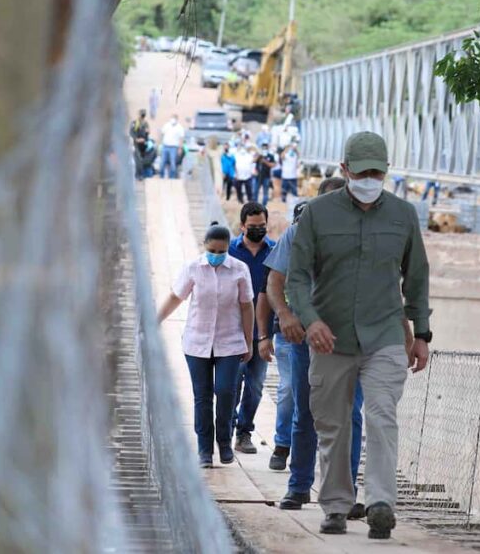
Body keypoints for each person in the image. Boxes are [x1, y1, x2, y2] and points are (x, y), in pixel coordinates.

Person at [287, 131, 431, 539]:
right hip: (330, 337)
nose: (370, 179)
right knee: (332, 423)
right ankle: (334, 505)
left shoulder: (404, 216)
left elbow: (416, 277)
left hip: (385, 333)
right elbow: (297, 278)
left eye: (377, 172)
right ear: (344, 169)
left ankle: (381, 503)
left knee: (381, 415)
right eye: (362, 171)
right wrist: (310, 319)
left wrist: (421, 334)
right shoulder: (316, 214)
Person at [259, 179, 382, 520]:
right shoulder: (299, 233)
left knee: (350, 416)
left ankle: (346, 495)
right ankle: (299, 486)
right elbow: (275, 280)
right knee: (307, 411)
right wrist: (283, 315)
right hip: (305, 338)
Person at [157, 222, 255, 468]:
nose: (216, 256)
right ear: (205, 247)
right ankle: (204, 450)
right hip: (197, 342)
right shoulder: (193, 269)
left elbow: (246, 306)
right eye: (212, 250)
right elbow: (175, 297)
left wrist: (248, 340)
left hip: (230, 343)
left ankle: (224, 442)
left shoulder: (239, 270)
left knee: (225, 392)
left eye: (222, 252)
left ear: (227, 250)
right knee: (202, 397)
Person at [230, 202, 276, 454]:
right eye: (252, 227)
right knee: (232, 382)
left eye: (262, 226)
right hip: (233, 330)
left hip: (263, 332)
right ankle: (226, 426)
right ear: (242, 226)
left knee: (256, 385)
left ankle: (244, 432)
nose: (258, 230)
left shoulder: (276, 251)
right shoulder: (231, 251)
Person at [160, 114, 185, 179]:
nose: (172, 120)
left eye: (174, 118)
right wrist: (161, 144)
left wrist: (180, 148)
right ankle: (161, 176)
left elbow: (181, 139)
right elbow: (162, 134)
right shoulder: (166, 125)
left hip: (174, 147)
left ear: (177, 119)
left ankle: (172, 177)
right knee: (162, 162)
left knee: (173, 162)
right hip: (165, 146)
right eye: (172, 118)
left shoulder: (180, 128)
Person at [131, 110, 152, 180]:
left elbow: (148, 132)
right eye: (142, 114)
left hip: (143, 145)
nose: (142, 116)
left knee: (142, 160)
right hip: (136, 144)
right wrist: (136, 139)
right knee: (138, 159)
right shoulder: (135, 123)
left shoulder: (145, 123)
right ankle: (138, 175)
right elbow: (131, 132)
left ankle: (141, 174)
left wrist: (147, 132)